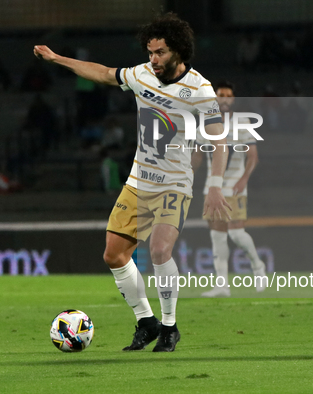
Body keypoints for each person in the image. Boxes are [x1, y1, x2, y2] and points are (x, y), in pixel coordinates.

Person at [34, 12, 231, 352]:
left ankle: (170, 327)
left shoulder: (199, 89)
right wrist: (56, 58)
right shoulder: (141, 74)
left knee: (158, 250)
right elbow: (103, 73)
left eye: (160, 53)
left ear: (179, 51)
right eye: (150, 52)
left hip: (174, 183)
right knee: (114, 254)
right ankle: (147, 321)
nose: (153, 59)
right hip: (139, 181)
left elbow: (219, 140)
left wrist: (214, 185)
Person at [191, 82, 266, 297]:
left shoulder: (242, 123)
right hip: (212, 188)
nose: (224, 98)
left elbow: (253, 156)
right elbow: (197, 155)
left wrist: (243, 179)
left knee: (236, 233)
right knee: (217, 236)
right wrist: (187, 177)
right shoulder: (205, 124)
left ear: (233, 100)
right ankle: (222, 285)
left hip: (234, 188)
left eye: (228, 95)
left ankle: (257, 266)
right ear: (215, 98)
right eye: (221, 95)